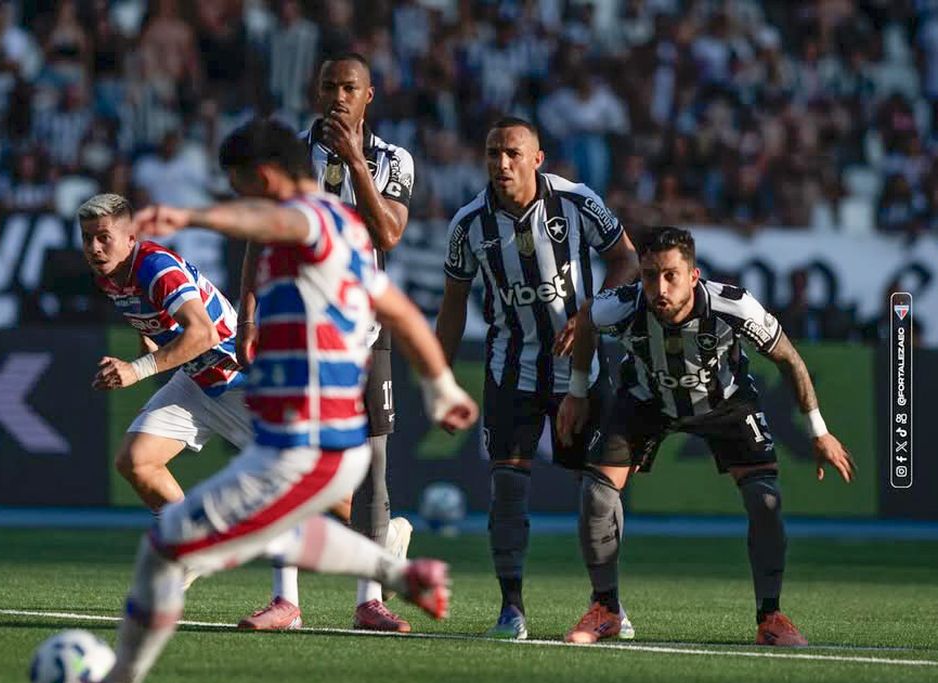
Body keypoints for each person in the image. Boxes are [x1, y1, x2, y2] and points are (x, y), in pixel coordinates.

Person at [75, 119, 477, 683]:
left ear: (263, 179)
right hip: (285, 415)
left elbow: (271, 225)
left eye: (240, 186)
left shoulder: (310, 220)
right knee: (263, 522)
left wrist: (190, 216)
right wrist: (440, 384)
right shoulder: (329, 230)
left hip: (289, 413)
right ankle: (393, 567)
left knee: (183, 542)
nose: (241, 201)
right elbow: (397, 307)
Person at [556, 225, 855, 646]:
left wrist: (819, 431)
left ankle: (770, 617)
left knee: (765, 499)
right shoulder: (622, 305)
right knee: (597, 493)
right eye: (649, 276)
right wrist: (577, 392)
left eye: (671, 275)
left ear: (693, 276)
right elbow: (587, 318)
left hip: (725, 403)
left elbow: (789, 358)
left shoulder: (734, 307)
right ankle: (606, 609)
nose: (659, 288)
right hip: (646, 400)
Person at [434, 116, 640, 640]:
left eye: (512, 153)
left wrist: (591, 312)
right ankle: (511, 610)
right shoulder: (468, 224)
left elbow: (626, 259)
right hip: (511, 371)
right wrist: (439, 380)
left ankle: (607, 604)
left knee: (598, 490)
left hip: (581, 370)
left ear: (537, 159)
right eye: (493, 153)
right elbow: (453, 306)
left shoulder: (577, 201)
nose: (501, 163)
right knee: (507, 488)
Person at [237, 52, 418, 632]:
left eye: (349, 88)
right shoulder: (287, 157)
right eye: (329, 87)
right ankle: (285, 598)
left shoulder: (393, 160)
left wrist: (355, 162)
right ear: (317, 93)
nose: (338, 96)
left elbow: (387, 232)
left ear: (369, 96)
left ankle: (370, 598)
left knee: (372, 468)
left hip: (365, 334)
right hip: (294, 331)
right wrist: (247, 314)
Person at [78, 193, 250, 531]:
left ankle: (370, 542)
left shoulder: (157, 267)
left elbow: (204, 334)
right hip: (195, 380)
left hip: (240, 381)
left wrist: (137, 370)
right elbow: (148, 314)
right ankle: (191, 541)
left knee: (327, 496)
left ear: (131, 238)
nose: (94, 248)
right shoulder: (109, 275)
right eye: (87, 238)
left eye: (103, 237)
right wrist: (147, 341)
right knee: (136, 462)